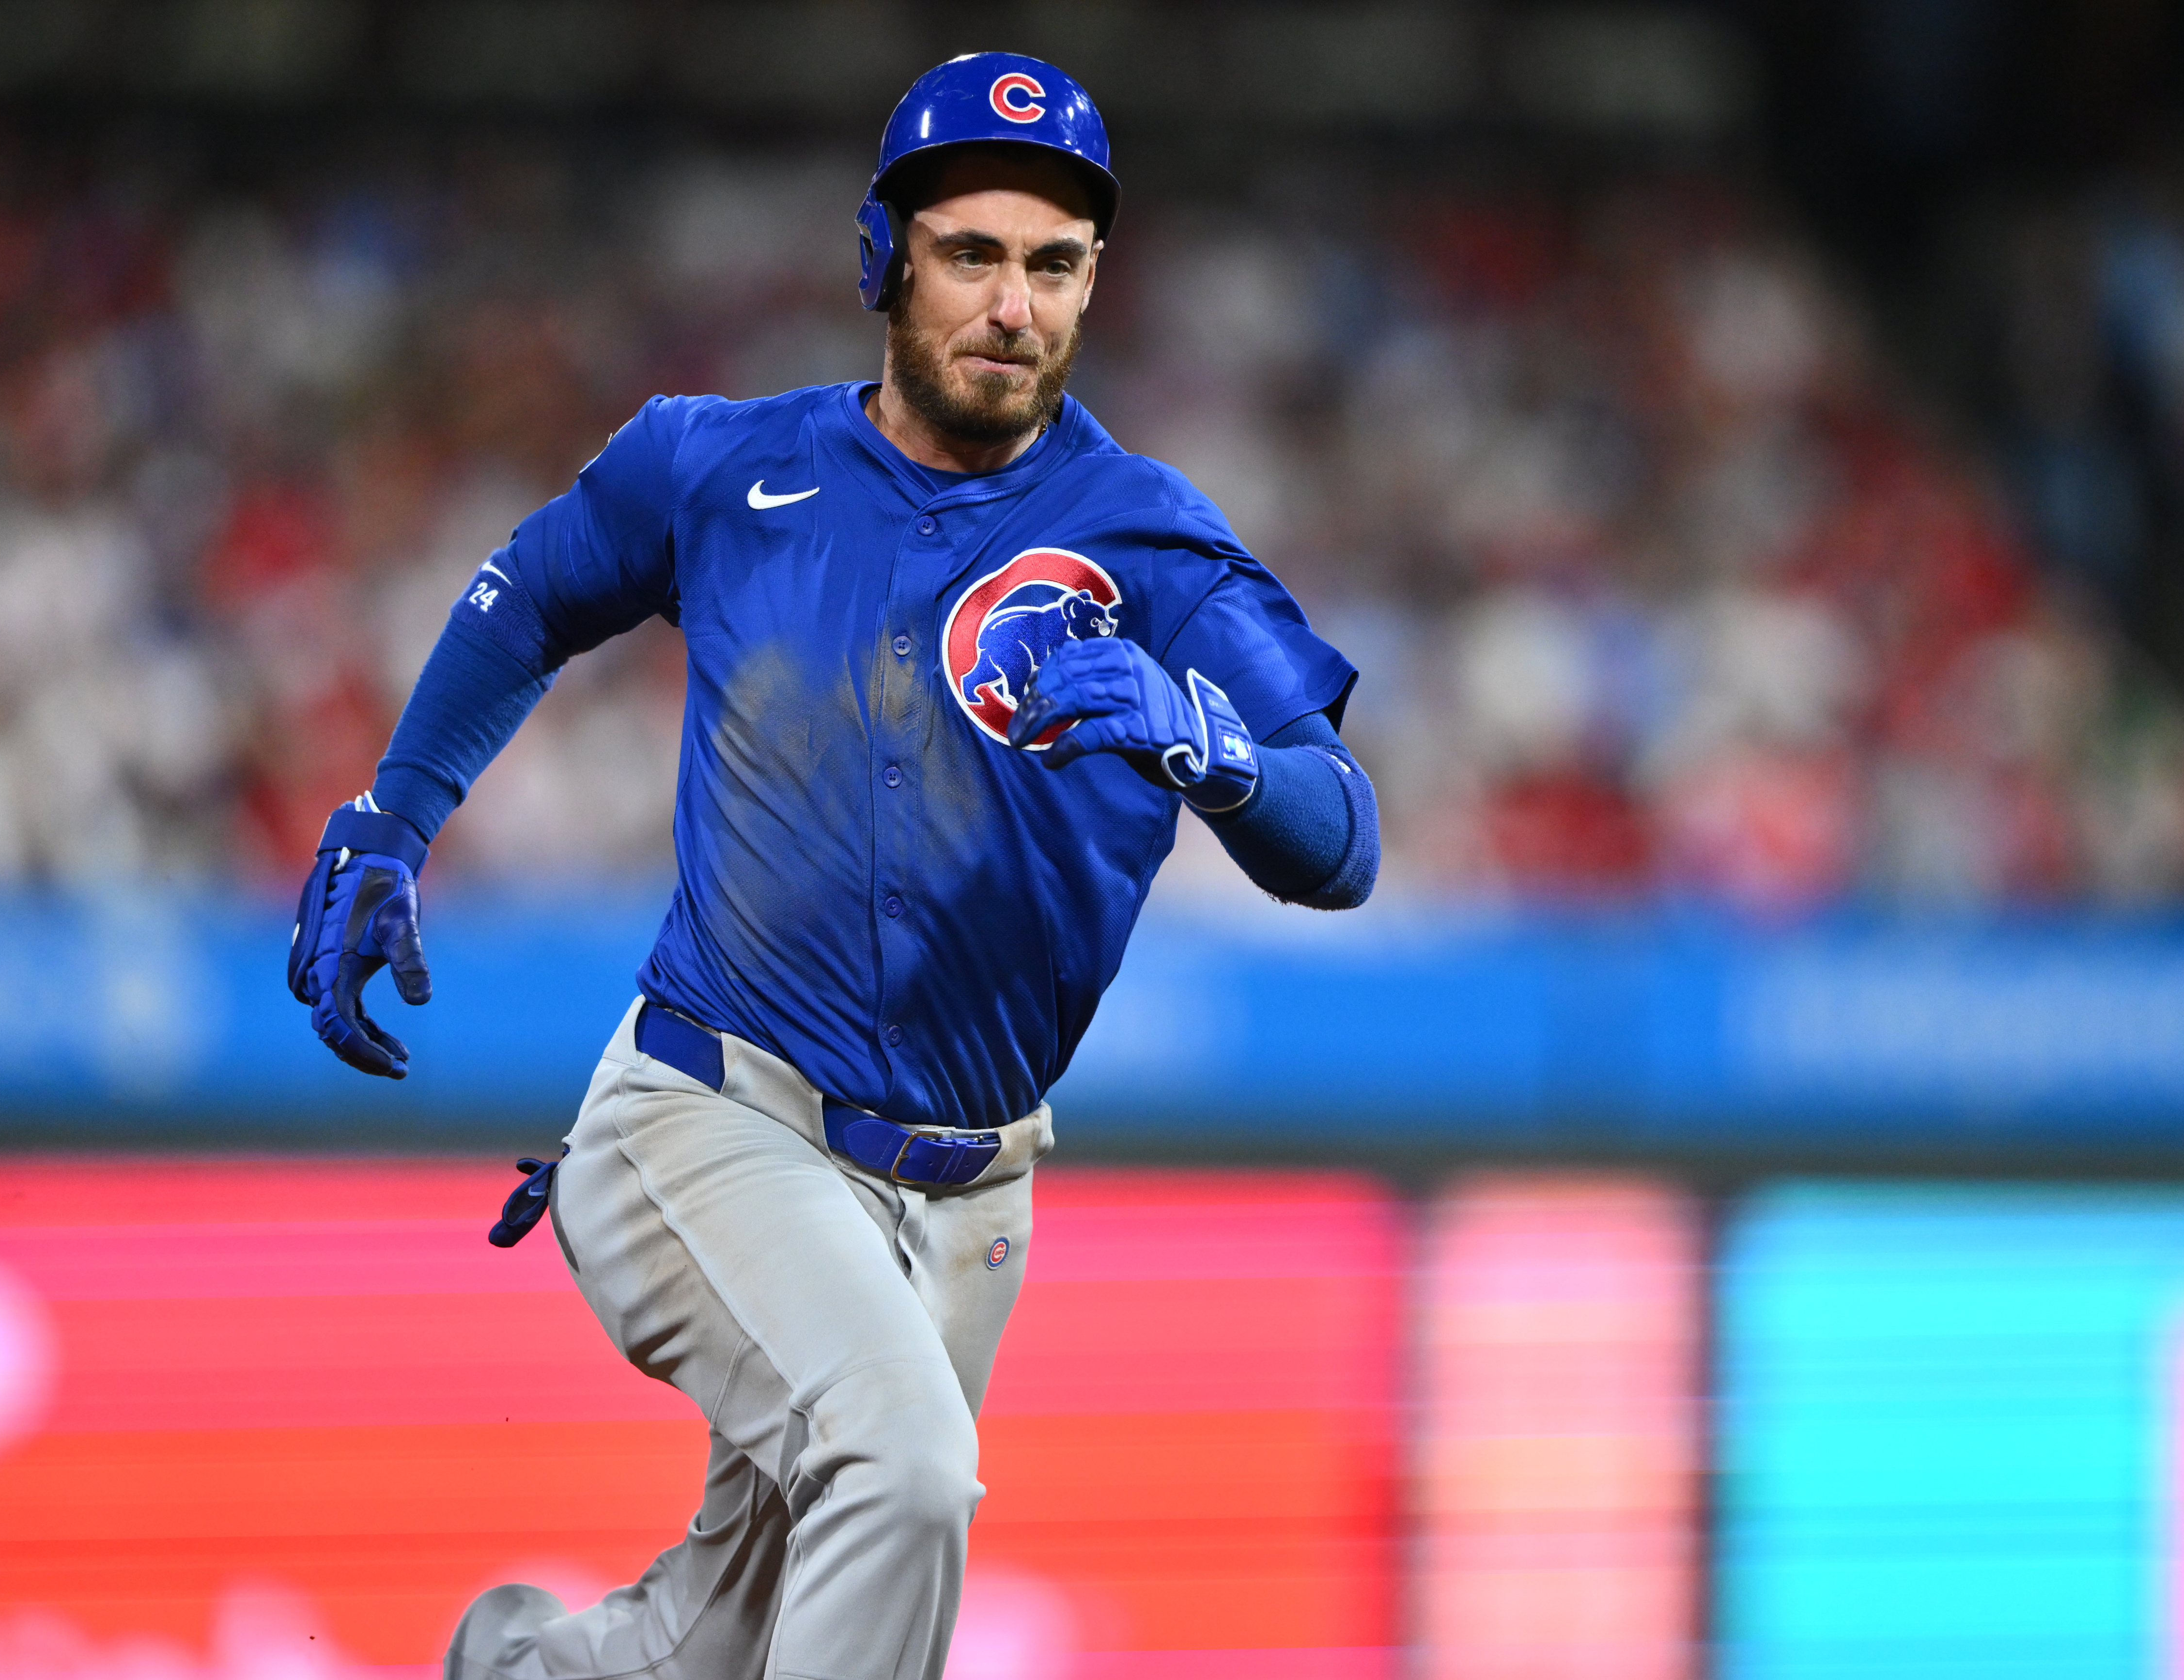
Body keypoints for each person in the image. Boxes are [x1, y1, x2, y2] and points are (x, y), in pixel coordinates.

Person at [286, 50, 1379, 1680]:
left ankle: (532, 1666)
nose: (1014, 303)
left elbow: (1341, 837)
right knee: (906, 1466)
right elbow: (534, 590)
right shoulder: (724, 468)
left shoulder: (1151, 541)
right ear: (883, 259)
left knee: (732, 1632)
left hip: (972, 1194)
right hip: (712, 1113)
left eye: (1054, 263)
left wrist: (1201, 737)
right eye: (973, 252)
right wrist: (396, 808)